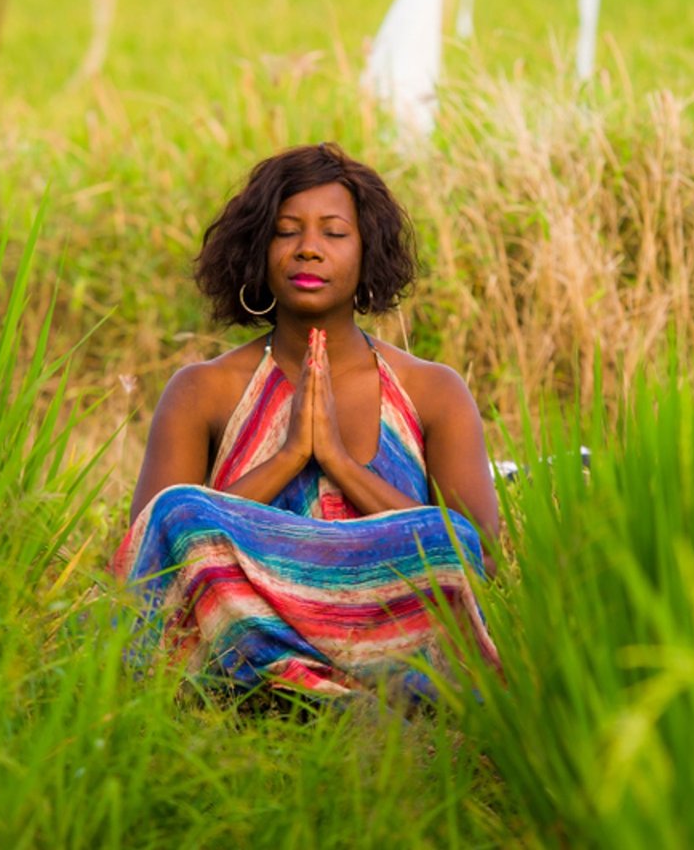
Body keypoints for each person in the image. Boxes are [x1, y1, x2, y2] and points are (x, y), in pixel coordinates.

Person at [110, 143, 501, 700]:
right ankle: (293, 683)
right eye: (287, 231)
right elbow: (151, 556)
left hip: (385, 630)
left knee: (451, 534)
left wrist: (340, 463)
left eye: (334, 233)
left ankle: (338, 689)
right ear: (256, 251)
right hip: (242, 627)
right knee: (174, 511)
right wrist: (291, 455)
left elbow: (477, 554)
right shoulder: (202, 390)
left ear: (367, 253)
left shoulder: (432, 391)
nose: (309, 250)